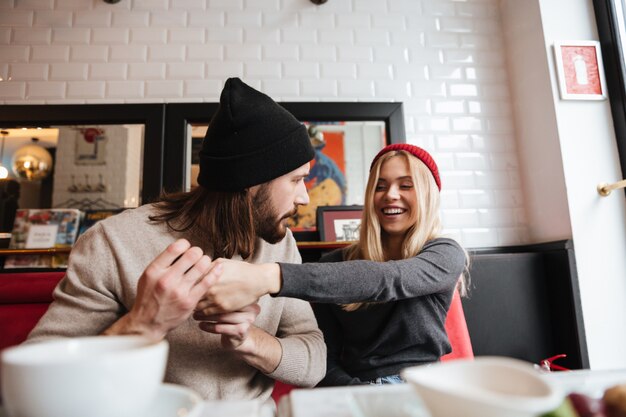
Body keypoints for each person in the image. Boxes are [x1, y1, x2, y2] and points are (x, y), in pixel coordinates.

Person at [26, 78, 326, 400]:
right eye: (296, 180)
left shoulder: (280, 245)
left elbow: (313, 363)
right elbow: (36, 379)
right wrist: (144, 322)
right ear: (252, 181)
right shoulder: (112, 243)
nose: (305, 198)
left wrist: (248, 339)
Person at [197, 143, 468, 386]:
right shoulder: (335, 264)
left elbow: (389, 279)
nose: (390, 195)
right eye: (380, 186)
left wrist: (268, 277)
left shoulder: (444, 253)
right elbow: (326, 356)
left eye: (405, 185)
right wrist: (360, 395)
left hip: (423, 389)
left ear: (427, 195)